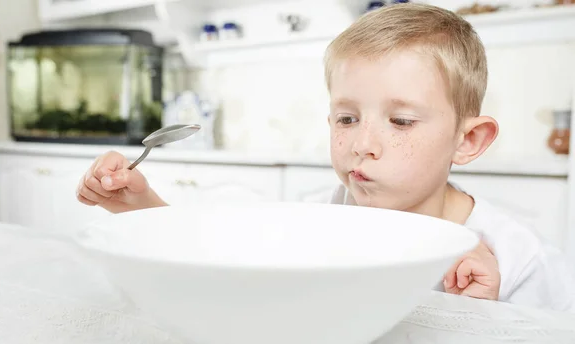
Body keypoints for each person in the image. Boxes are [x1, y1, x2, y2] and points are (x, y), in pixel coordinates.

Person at [75, 3, 575, 312]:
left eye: (400, 121)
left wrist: (481, 316)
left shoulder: (517, 257)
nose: (361, 144)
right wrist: (140, 206)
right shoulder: (320, 214)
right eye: (346, 118)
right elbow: (229, 268)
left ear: (468, 141)